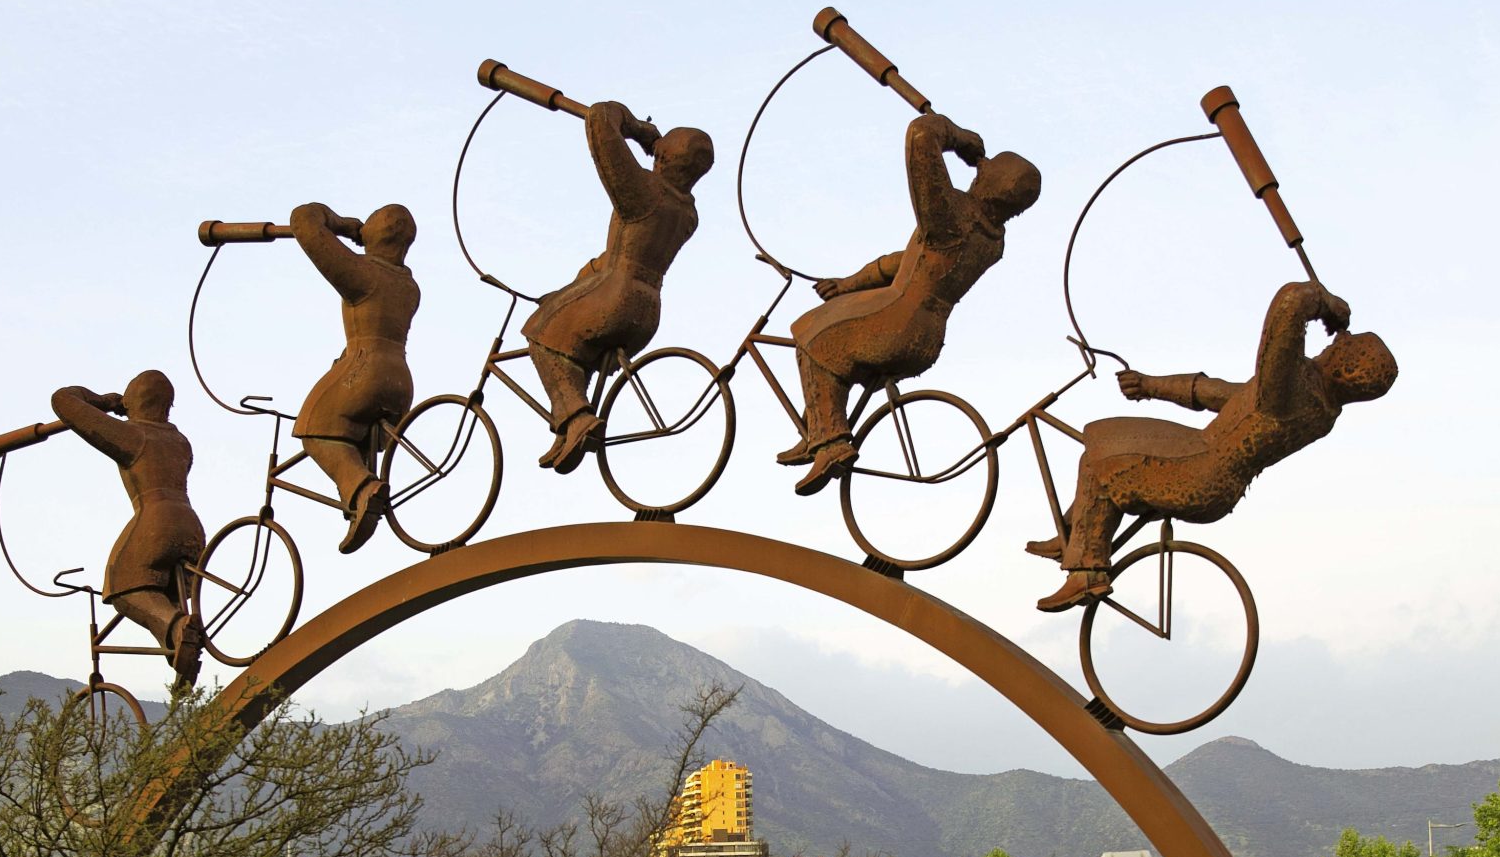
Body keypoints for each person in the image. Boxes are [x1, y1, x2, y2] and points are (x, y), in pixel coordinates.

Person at [1027, 280, 1396, 612]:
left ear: (1348, 368)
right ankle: (1072, 534)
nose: (1340, 339)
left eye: (1350, 344)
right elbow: (1224, 394)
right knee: (1102, 438)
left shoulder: (1295, 390)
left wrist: (1324, 302)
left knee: (1104, 460)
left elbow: (1290, 302)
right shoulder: (1315, 405)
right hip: (1208, 462)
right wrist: (1151, 385)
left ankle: (1086, 572)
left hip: (1201, 469)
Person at [776, 113, 1040, 496]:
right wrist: (849, 284)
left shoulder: (953, 216)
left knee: (815, 337)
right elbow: (905, 262)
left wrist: (958, 137)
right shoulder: (991, 239)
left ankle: (830, 441)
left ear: (990, 181)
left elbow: (921, 135)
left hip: (896, 319)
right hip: (926, 334)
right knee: (830, 330)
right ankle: (819, 424)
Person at [522, 100, 714, 473]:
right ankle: (570, 426)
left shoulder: (643, 192)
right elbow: (620, 252)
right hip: (647, 309)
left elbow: (599, 119)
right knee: (571, 337)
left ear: (664, 156)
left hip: (614, 298)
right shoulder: (687, 213)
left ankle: (576, 418)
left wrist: (637, 128)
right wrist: (568, 291)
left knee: (541, 333)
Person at [52, 370, 207, 684]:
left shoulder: (133, 435)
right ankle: (181, 654)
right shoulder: (180, 441)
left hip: (156, 521)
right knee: (165, 590)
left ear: (133, 400)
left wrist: (99, 402)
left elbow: (62, 401)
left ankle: (178, 628)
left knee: (122, 586)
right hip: (190, 525)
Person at [287, 200, 421, 553]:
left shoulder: (364, 275)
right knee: (352, 431)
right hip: (400, 382)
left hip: (365, 372)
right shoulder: (408, 285)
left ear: (374, 233)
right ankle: (361, 495)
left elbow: (303, 220)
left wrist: (340, 224)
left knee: (314, 427)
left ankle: (359, 486)